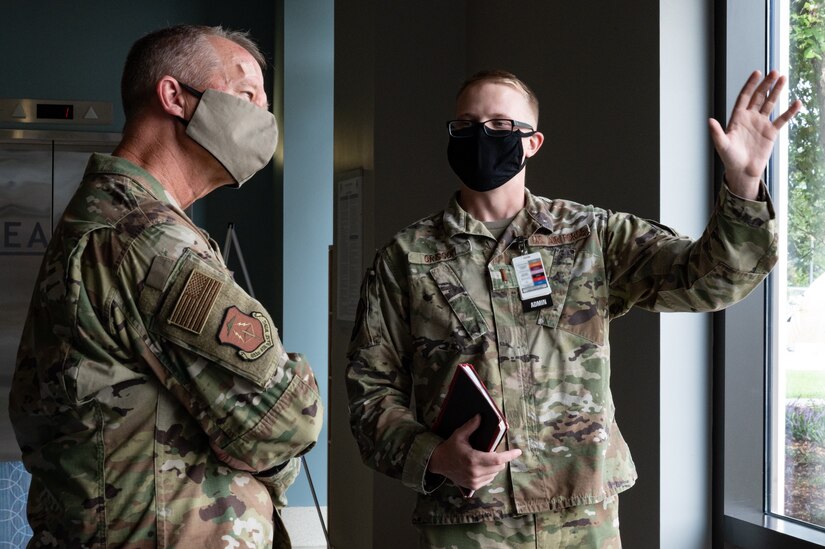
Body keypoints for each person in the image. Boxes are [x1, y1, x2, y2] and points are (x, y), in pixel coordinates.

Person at [345, 69, 801, 548]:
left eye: (501, 125)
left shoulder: (590, 235)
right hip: (471, 519)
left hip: (583, 517)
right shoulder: (406, 258)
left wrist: (743, 184)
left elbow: (707, 280)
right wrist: (435, 456)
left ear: (533, 142)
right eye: (467, 124)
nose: (483, 135)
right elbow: (370, 393)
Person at [9, 25, 322, 548]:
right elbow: (287, 418)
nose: (264, 118)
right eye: (246, 94)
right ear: (175, 96)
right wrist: (246, 427)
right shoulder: (144, 237)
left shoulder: (118, 219)